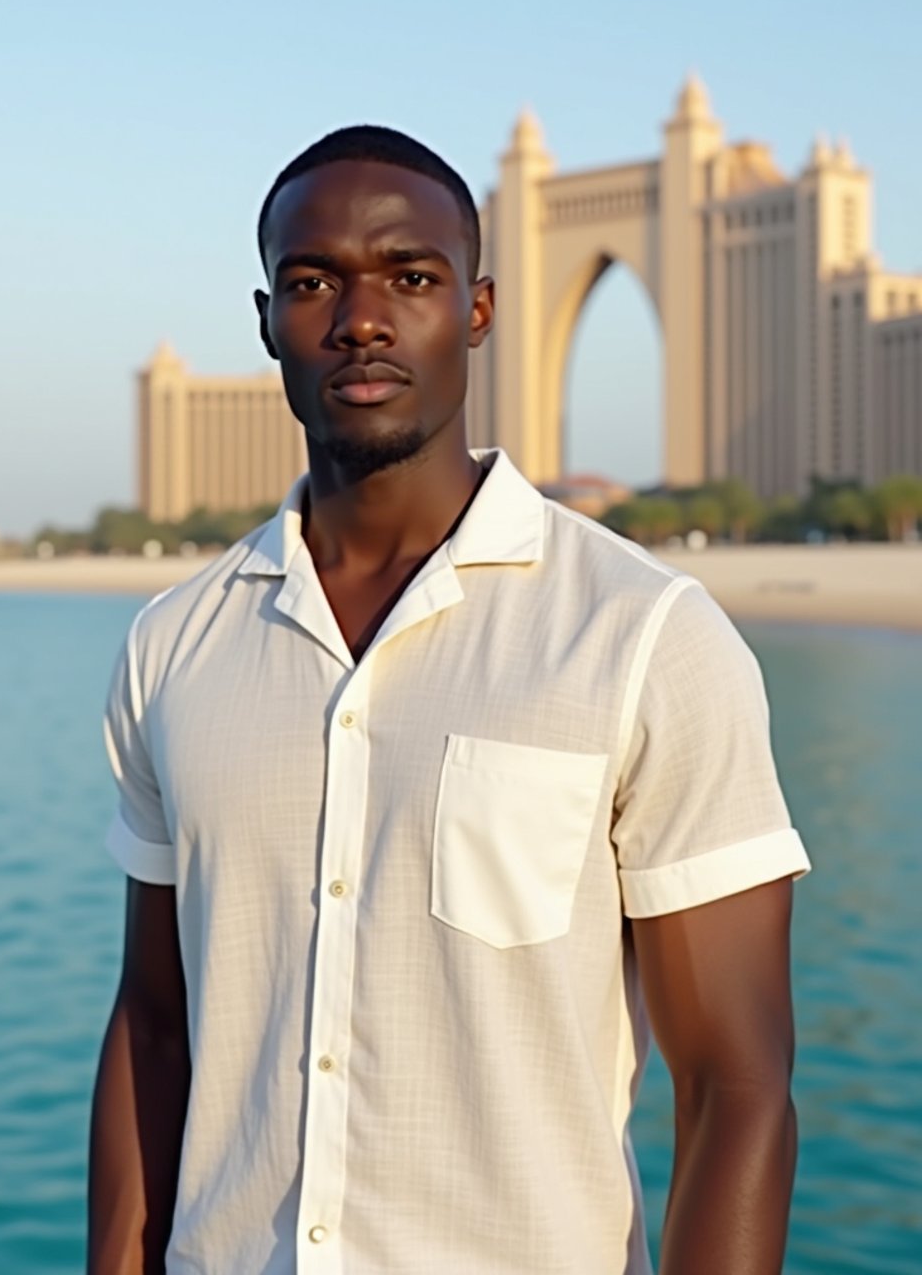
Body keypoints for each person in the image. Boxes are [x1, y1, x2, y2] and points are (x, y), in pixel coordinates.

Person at [88, 125, 810, 1275]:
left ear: (475, 310)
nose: (360, 318)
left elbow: (736, 1085)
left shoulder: (641, 639)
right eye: (315, 281)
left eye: (409, 278)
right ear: (268, 317)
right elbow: (156, 1028)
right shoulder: (174, 646)